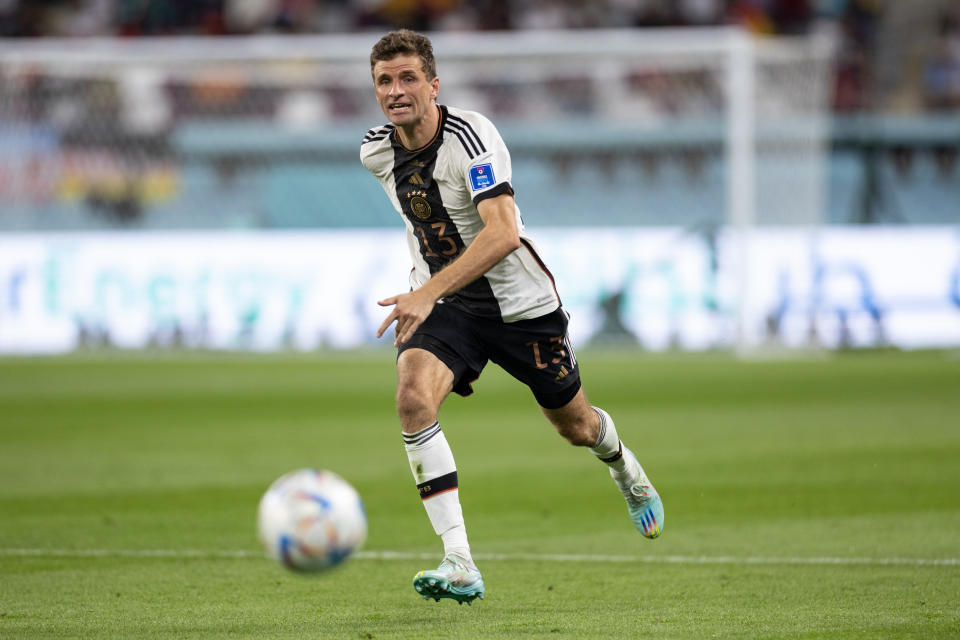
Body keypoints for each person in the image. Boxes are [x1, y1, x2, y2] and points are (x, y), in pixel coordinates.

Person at [360, 29, 663, 605]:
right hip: (447, 303)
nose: (396, 91)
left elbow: (502, 233)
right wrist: (425, 290)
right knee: (412, 397)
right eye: (384, 80)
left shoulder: (473, 135)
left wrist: (427, 292)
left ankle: (625, 468)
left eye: (407, 78)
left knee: (575, 427)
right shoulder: (376, 151)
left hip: (521, 306)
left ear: (432, 84)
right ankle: (459, 562)